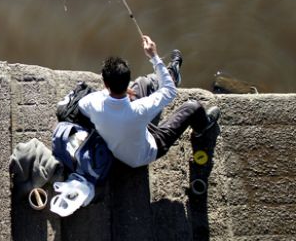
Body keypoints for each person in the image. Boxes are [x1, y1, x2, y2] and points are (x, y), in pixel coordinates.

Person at [77, 35, 220, 168]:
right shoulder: (140, 109)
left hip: (117, 148)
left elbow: (82, 107)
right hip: (143, 155)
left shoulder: (91, 101)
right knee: (193, 107)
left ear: (106, 84)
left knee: (143, 82)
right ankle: (202, 128)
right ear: (127, 82)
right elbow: (170, 92)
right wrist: (154, 56)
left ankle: (172, 73)